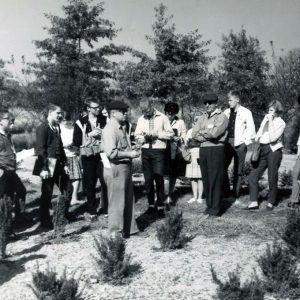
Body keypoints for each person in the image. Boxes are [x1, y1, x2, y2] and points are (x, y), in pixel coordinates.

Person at [102, 101, 140, 238]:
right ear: (113, 113)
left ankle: (130, 229)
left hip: (124, 167)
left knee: (129, 199)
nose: (125, 114)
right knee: (117, 202)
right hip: (116, 168)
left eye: (126, 111)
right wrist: (130, 154)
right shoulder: (109, 129)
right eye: (123, 111)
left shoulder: (121, 127)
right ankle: (115, 234)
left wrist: (131, 150)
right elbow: (111, 153)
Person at [35, 104, 72, 229]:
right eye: (58, 113)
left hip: (59, 164)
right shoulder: (42, 128)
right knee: (47, 193)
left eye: (61, 113)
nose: (61, 115)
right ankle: (45, 221)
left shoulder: (56, 127)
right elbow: (40, 150)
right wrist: (44, 168)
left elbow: (60, 147)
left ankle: (62, 215)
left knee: (68, 188)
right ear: (50, 113)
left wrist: (65, 163)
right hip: (48, 164)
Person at [134, 100, 174, 218]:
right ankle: (151, 205)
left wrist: (157, 134)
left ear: (151, 106)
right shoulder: (141, 119)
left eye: (147, 111)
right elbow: (137, 134)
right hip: (146, 150)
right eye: (143, 111)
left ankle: (161, 206)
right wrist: (140, 138)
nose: (145, 113)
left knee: (158, 177)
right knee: (148, 179)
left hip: (159, 151)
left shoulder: (162, 117)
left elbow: (170, 134)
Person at [192, 92, 229, 216]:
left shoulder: (222, 116)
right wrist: (206, 134)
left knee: (215, 179)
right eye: (205, 103)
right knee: (206, 178)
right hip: (204, 150)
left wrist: (202, 133)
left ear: (215, 104)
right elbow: (194, 134)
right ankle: (209, 206)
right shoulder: (202, 117)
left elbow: (215, 133)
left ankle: (216, 208)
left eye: (210, 103)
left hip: (216, 149)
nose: (207, 105)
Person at [247, 100, 286, 210]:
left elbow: (273, 138)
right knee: (253, 175)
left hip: (273, 150)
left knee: (272, 177)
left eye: (272, 110)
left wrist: (270, 121)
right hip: (262, 149)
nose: (269, 111)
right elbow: (258, 135)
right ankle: (254, 201)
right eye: (269, 109)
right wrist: (264, 122)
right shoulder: (266, 119)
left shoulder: (281, 122)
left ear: (277, 111)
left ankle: (271, 202)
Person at [73, 99, 107, 216]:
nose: (98, 109)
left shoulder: (104, 119)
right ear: (88, 109)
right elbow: (76, 141)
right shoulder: (80, 122)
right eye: (95, 107)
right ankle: (92, 211)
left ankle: (106, 208)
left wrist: (102, 133)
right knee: (90, 184)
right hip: (88, 157)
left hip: (103, 155)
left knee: (105, 181)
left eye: (99, 107)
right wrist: (88, 134)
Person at [223, 91, 256, 198]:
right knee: (223, 167)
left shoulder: (246, 112)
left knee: (238, 170)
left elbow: (251, 130)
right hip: (228, 144)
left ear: (237, 100)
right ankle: (226, 192)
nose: (229, 102)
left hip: (240, 144)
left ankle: (235, 194)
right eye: (228, 100)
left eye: (231, 100)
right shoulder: (226, 112)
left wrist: (245, 144)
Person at [0, 109, 27, 221]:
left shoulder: (8, 135)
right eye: (10, 119)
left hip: (11, 171)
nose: (12, 122)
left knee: (20, 191)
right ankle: (5, 223)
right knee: (3, 197)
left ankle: (18, 218)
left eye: (13, 119)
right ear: (0, 121)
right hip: (3, 171)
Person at [164, 102, 187, 204]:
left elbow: (184, 136)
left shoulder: (180, 122)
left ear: (175, 113)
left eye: (172, 113)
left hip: (175, 151)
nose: (169, 115)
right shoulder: (162, 121)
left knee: (173, 174)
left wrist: (180, 138)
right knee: (163, 174)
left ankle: (169, 195)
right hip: (163, 151)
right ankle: (161, 195)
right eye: (168, 113)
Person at [60, 113, 82, 205]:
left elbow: (77, 141)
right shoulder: (58, 129)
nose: (65, 122)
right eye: (63, 120)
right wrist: (63, 146)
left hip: (72, 154)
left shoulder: (73, 128)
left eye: (66, 120)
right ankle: (64, 198)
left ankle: (74, 198)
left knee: (77, 177)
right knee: (65, 179)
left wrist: (73, 145)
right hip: (63, 156)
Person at [185, 116, 204, 204]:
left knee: (200, 177)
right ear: (193, 123)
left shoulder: (203, 131)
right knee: (193, 177)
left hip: (201, 152)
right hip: (191, 153)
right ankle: (194, 196)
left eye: (199, 121)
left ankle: (200, 197)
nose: (196, 123)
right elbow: (186, 143)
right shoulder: (190, 131)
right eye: (195, 121)